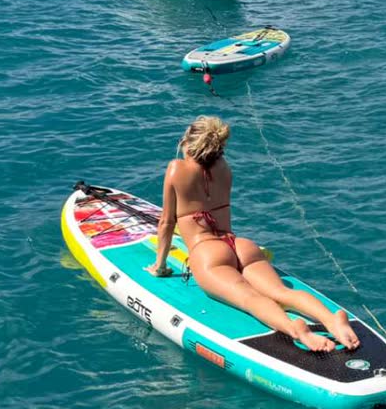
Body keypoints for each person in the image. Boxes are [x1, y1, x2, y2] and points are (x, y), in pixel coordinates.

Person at [146, 115, 359, 354]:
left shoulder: (177, 169)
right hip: (239, 245)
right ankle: (331, 319)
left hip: (207, 253)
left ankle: (296, 330)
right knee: (282, 293)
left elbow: (166, 222)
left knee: (249, 299)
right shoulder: (224, 168)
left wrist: (160, 266)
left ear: (188, 143)